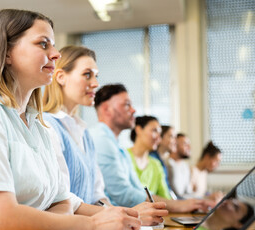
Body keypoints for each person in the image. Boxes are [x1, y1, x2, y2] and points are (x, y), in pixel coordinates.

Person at [0, 9, 142, 230]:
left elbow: (63, 201)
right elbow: (4, 222)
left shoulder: (39, 126)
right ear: (7, 52)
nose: (56, 54)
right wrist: (94, 226)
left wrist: (43, 217)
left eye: (54, 45)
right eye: (43, 44)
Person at [42, 45, 168, 225]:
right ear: (61, 77)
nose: (95, 83)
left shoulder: (84, 133)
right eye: (87, 74)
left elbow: (97, 195)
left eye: (96, 76)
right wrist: (128, 214)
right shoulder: (48, 126)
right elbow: (59, 199)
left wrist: (116, 215)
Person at [90, 83, 211, 213]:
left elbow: (139, 189)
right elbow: (122, 194)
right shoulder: (101, 139)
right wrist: (176, 206)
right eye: (126, 105)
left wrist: (180, 204)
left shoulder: (119, 148)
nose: (133, 110)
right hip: (110, 218)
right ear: (106, 109)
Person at [128, 116, 171, 199]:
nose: (159, 138)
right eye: (154, 131)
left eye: (160, 134)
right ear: (138, 130)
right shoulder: (123, 156)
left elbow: (165, 197)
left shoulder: (156, 164)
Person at [149, 125, 176, 192]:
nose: (175, 141)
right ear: (160, 137)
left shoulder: (165, 161)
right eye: (171, 136)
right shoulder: (152, 159)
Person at [168, 133, 193, 198]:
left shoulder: (185, 166)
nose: (189, 147)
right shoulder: (167, 164)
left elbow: (188, 191)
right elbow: (177, 193)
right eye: (185, 144)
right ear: (175, 145)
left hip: (184, 200)